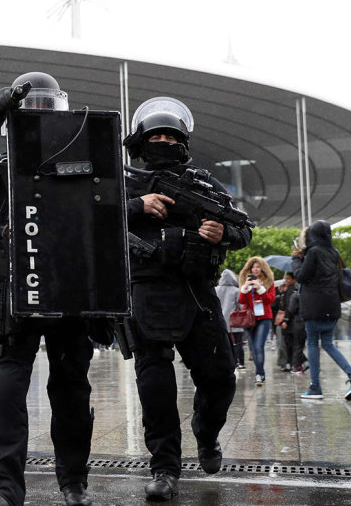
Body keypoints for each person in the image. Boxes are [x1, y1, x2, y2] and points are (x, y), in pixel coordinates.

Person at [0, 71, 99, 506]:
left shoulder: (84, 160)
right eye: (26, 110)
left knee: (72, 389)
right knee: (4, 387)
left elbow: (110, 203)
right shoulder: (3, 168)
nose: (36, 116)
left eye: (44, 108)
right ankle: (2, 490)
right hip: (16, 290)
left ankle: (73, 483)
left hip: (71, 287)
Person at [123, 96, 252, 501]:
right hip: (145, 292)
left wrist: (223, 235)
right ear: (142, 141)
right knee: (155, 387)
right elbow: (88, 220)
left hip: (196, 292)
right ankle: (164, 468)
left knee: (219, 377)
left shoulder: (204, 183)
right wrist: (136, 205)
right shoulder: (122, 181)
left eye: (171, 136)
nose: (163, 141)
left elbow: (243, 229)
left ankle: (206, 431)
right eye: (156, 135)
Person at [291, 221, 351, 400]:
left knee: (312, 343)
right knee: (327, 344)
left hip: (314, 307)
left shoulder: (314, 252)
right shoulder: (334, 253)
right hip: (332, 306)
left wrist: (296, 259)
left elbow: (302, 276)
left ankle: (315, 387)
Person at [237, 257, 276, 386]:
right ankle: (259, 373)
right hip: (249, 319)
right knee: (253, 348)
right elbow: (241, 301)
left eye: (258, 267)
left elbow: (270, 300)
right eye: (253, 267)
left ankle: (260, 374)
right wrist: (245, 287)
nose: (256, 269)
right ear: (250, 269)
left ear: (262, 268)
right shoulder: (246, 281)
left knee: (259, 346)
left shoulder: (269, 282)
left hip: (264, 318)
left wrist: (260, 288)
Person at [278, 272, 308, 373]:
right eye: (285, 279)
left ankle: (296, 365)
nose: (286, 281)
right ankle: (298, 364)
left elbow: (290, 308)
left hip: (293, 322)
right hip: (296, 322)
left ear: (294, 280)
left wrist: (285, 320)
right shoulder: (290, 290)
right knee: (294, 344)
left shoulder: (294, 292)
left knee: (294, 345)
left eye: (288, 279)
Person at [215, 269, 245, 369]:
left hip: (220, 323)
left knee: (223, 344)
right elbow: (240, 306)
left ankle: (224, 362)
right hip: (234, 324)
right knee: (237, 344)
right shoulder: (236, 291)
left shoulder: (216, 289)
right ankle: (237, 362)